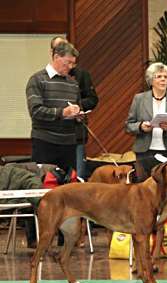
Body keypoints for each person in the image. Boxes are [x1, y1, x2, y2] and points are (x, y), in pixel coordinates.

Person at [125, 62, 167, 182]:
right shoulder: (139, 99)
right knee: (144, 189)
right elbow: (128, 126)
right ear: (151, 80)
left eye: (165, 77)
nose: (163, 79)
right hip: (145, 152)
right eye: (159, 77)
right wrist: (141, 127)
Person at [26, 41, 82, 171]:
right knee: (44, 183)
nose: (70, 66)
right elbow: (36, 111)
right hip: (45, 143)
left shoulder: (73, 84)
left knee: (68, 186)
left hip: (69, 144)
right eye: (67, 62)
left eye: (73, 63)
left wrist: (79, 116)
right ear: (56, 57)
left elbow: (77, 108)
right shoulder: (37, 79)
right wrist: (63, 113)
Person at [50, 36, 99, 179]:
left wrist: (77, 107)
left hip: (76, 134)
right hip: (53, 134)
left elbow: (93, 99)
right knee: (52, 176)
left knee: (77, 175)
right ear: (53, 54)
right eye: (57, 48)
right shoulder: (46, 77)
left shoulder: (81, 75)